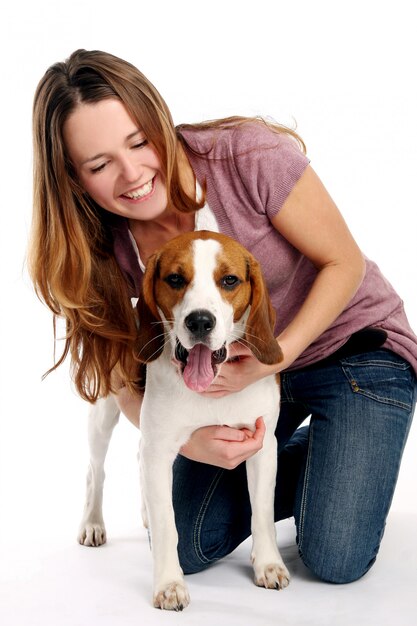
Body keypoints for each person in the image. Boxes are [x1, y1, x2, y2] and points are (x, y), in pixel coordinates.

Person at [29, 49, 417, 584]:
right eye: (99, 165)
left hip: (353, 350)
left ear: (159, 121)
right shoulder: (96, 248)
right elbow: (119, 370)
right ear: (73, 178)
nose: (133, 172)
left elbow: (344, 262)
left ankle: (344, 461)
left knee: (336, 556)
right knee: (187, 548)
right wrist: (181, 439)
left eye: (139, 142)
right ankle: (323, 464)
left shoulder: (247, 157)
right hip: (224, 378)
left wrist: (271, 361)